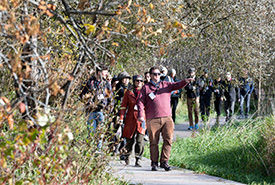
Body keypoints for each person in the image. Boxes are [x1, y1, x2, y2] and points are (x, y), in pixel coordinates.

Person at [137, 66, 193, 171]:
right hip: (152, 119)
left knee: (168, 140)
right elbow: (140, 101)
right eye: (154, 74)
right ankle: (154, 163)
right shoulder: (146, 87)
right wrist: (140, 114)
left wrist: (186, 81)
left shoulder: (166, 85)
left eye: (159, 74)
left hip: (167, 117)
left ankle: (164, 162)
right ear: (150, 75)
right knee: (154, 142)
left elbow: (177, 85)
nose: (157, 76)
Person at [80, 64, 112, 149]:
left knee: (100, 134)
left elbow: (109, 97)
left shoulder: (106, 83)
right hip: (90, 111)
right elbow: (82, 94)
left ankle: (98, 152)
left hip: (101, 111)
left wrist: (104, 102)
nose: (106, 74)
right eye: (104, 72)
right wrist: (88, 101)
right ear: (99, 72)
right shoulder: (90, 82)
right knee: (91, 133)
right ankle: (89, 151)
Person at [119, 75, 146, 167]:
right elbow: (123, 106)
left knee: (140, 140)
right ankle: (127, 156)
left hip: (141, 119)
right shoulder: (128, 92)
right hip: (130, 119)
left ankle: (138, 159)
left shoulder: (145, 92)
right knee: (129, 139)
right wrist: (121, 118)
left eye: (140, 81)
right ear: (134, 82)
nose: (139, 82)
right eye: (137, 80)